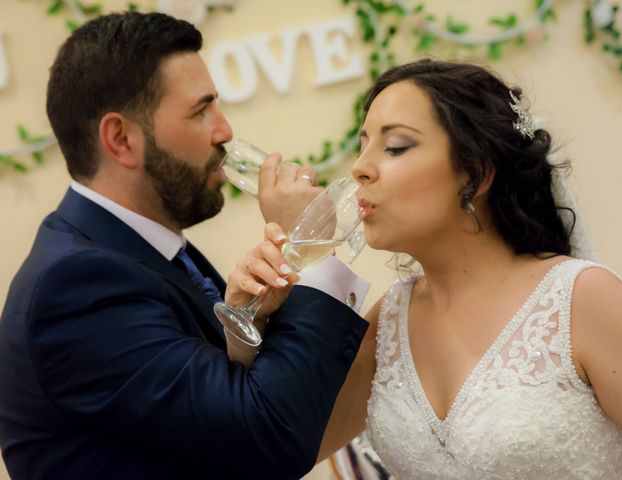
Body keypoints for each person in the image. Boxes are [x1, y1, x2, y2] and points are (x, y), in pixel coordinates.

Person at [0, 12, 371, 479]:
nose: (224, 131)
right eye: (201, 110)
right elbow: (265, 436)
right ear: (121, 139)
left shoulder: (152, 252)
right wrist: (308, 248)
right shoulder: (75, 286)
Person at [229, 59, 622, 479]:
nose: (360, 167)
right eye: (363, 144)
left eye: (395, 147)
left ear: (476, 175)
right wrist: (251, 328)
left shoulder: (581, 300)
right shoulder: (389, 323)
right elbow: (274, 450)